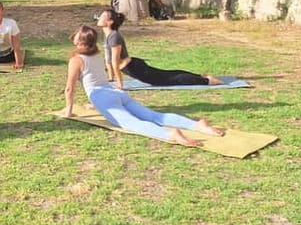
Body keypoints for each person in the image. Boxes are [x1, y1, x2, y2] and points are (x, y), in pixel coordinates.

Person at [64, 24, 224, 146]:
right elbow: (96, 78)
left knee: (131, 123)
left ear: (80, 40)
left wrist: (68, 111)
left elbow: (70, 88)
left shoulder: (76, 60)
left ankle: (171, 135)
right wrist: (95, 105)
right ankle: (196, 125)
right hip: (115, 93)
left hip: (103, 96)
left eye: (77, 34)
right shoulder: (96, 54)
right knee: (153, 115)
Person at [96, 8, 224, 87]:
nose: (99, 17)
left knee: (167, 79)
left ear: (110, 22)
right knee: (167, 75)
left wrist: (119, 84)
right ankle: (201, 76)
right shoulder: (109, 35)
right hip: (132, 67)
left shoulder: (114, 37)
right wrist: (111, 78)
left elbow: (115, 61)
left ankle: (207, 81)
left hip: (134, 68)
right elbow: (108, 60)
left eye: (102, 16)